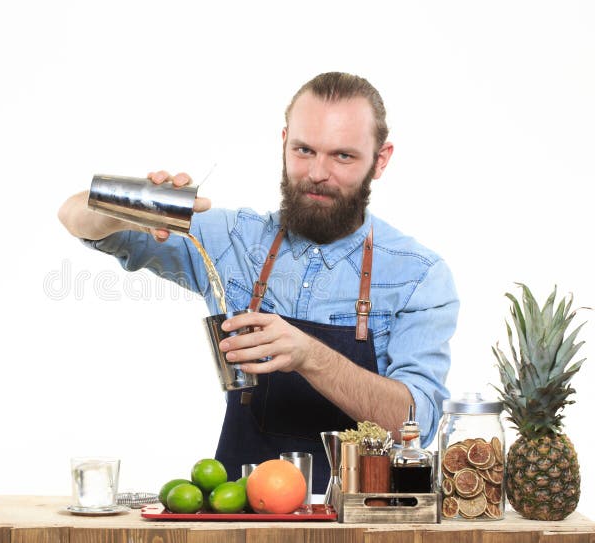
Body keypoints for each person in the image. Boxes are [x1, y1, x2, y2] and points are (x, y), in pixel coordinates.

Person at [58, 72, 459, 493]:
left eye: (342, 156)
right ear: (284, 141)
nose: (317, 172)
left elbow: (417, 424)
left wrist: (309, 356)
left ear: (381, 159)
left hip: (358, 524)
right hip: (241, 517)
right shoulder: (236, 241)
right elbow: (75, 217)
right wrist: (134, 205)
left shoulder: (417, 275)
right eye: (303, 150)